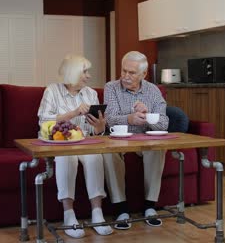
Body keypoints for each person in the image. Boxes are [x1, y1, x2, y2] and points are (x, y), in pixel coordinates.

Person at [37, 54, 113, 238]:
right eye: (84, 72)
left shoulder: (91, 93)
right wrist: (73, 113)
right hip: (58, 142)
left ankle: (97, 214)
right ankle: (69, 215)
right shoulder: (52, 91)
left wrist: (99, 127)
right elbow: (43, 120)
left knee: (95, 157)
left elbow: (94, 130)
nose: (88, 76)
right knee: (67, 158)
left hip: (83, 141)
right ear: (72, 73)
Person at [103, 51, 169, 230]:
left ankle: (149, 206)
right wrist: (129, 119)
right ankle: (121, 208)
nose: (125, 76)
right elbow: (109, 118)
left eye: (131, 73)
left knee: (158, 147)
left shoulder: (153, 91)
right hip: (118, 139)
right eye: (123, 71)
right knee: (108, 153)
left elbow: (164, 122)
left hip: (145, 139)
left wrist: (148, 115)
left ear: (143, 74)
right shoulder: (111, 87)